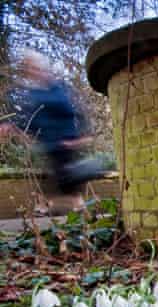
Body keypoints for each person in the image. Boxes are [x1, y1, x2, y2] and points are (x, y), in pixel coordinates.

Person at [0, 50, 98, 215]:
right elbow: (30, 121)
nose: (34, 72)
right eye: (30, 69)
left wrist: (84, 134)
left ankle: (63, 209)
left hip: (68, 143)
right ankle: (65, 211)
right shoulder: (35, 94)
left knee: (67, 183)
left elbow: (78, 111)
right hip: (50, 146)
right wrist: (10, 125)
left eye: (36, 68)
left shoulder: (61, 89)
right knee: (62, 183)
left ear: (45, 69)